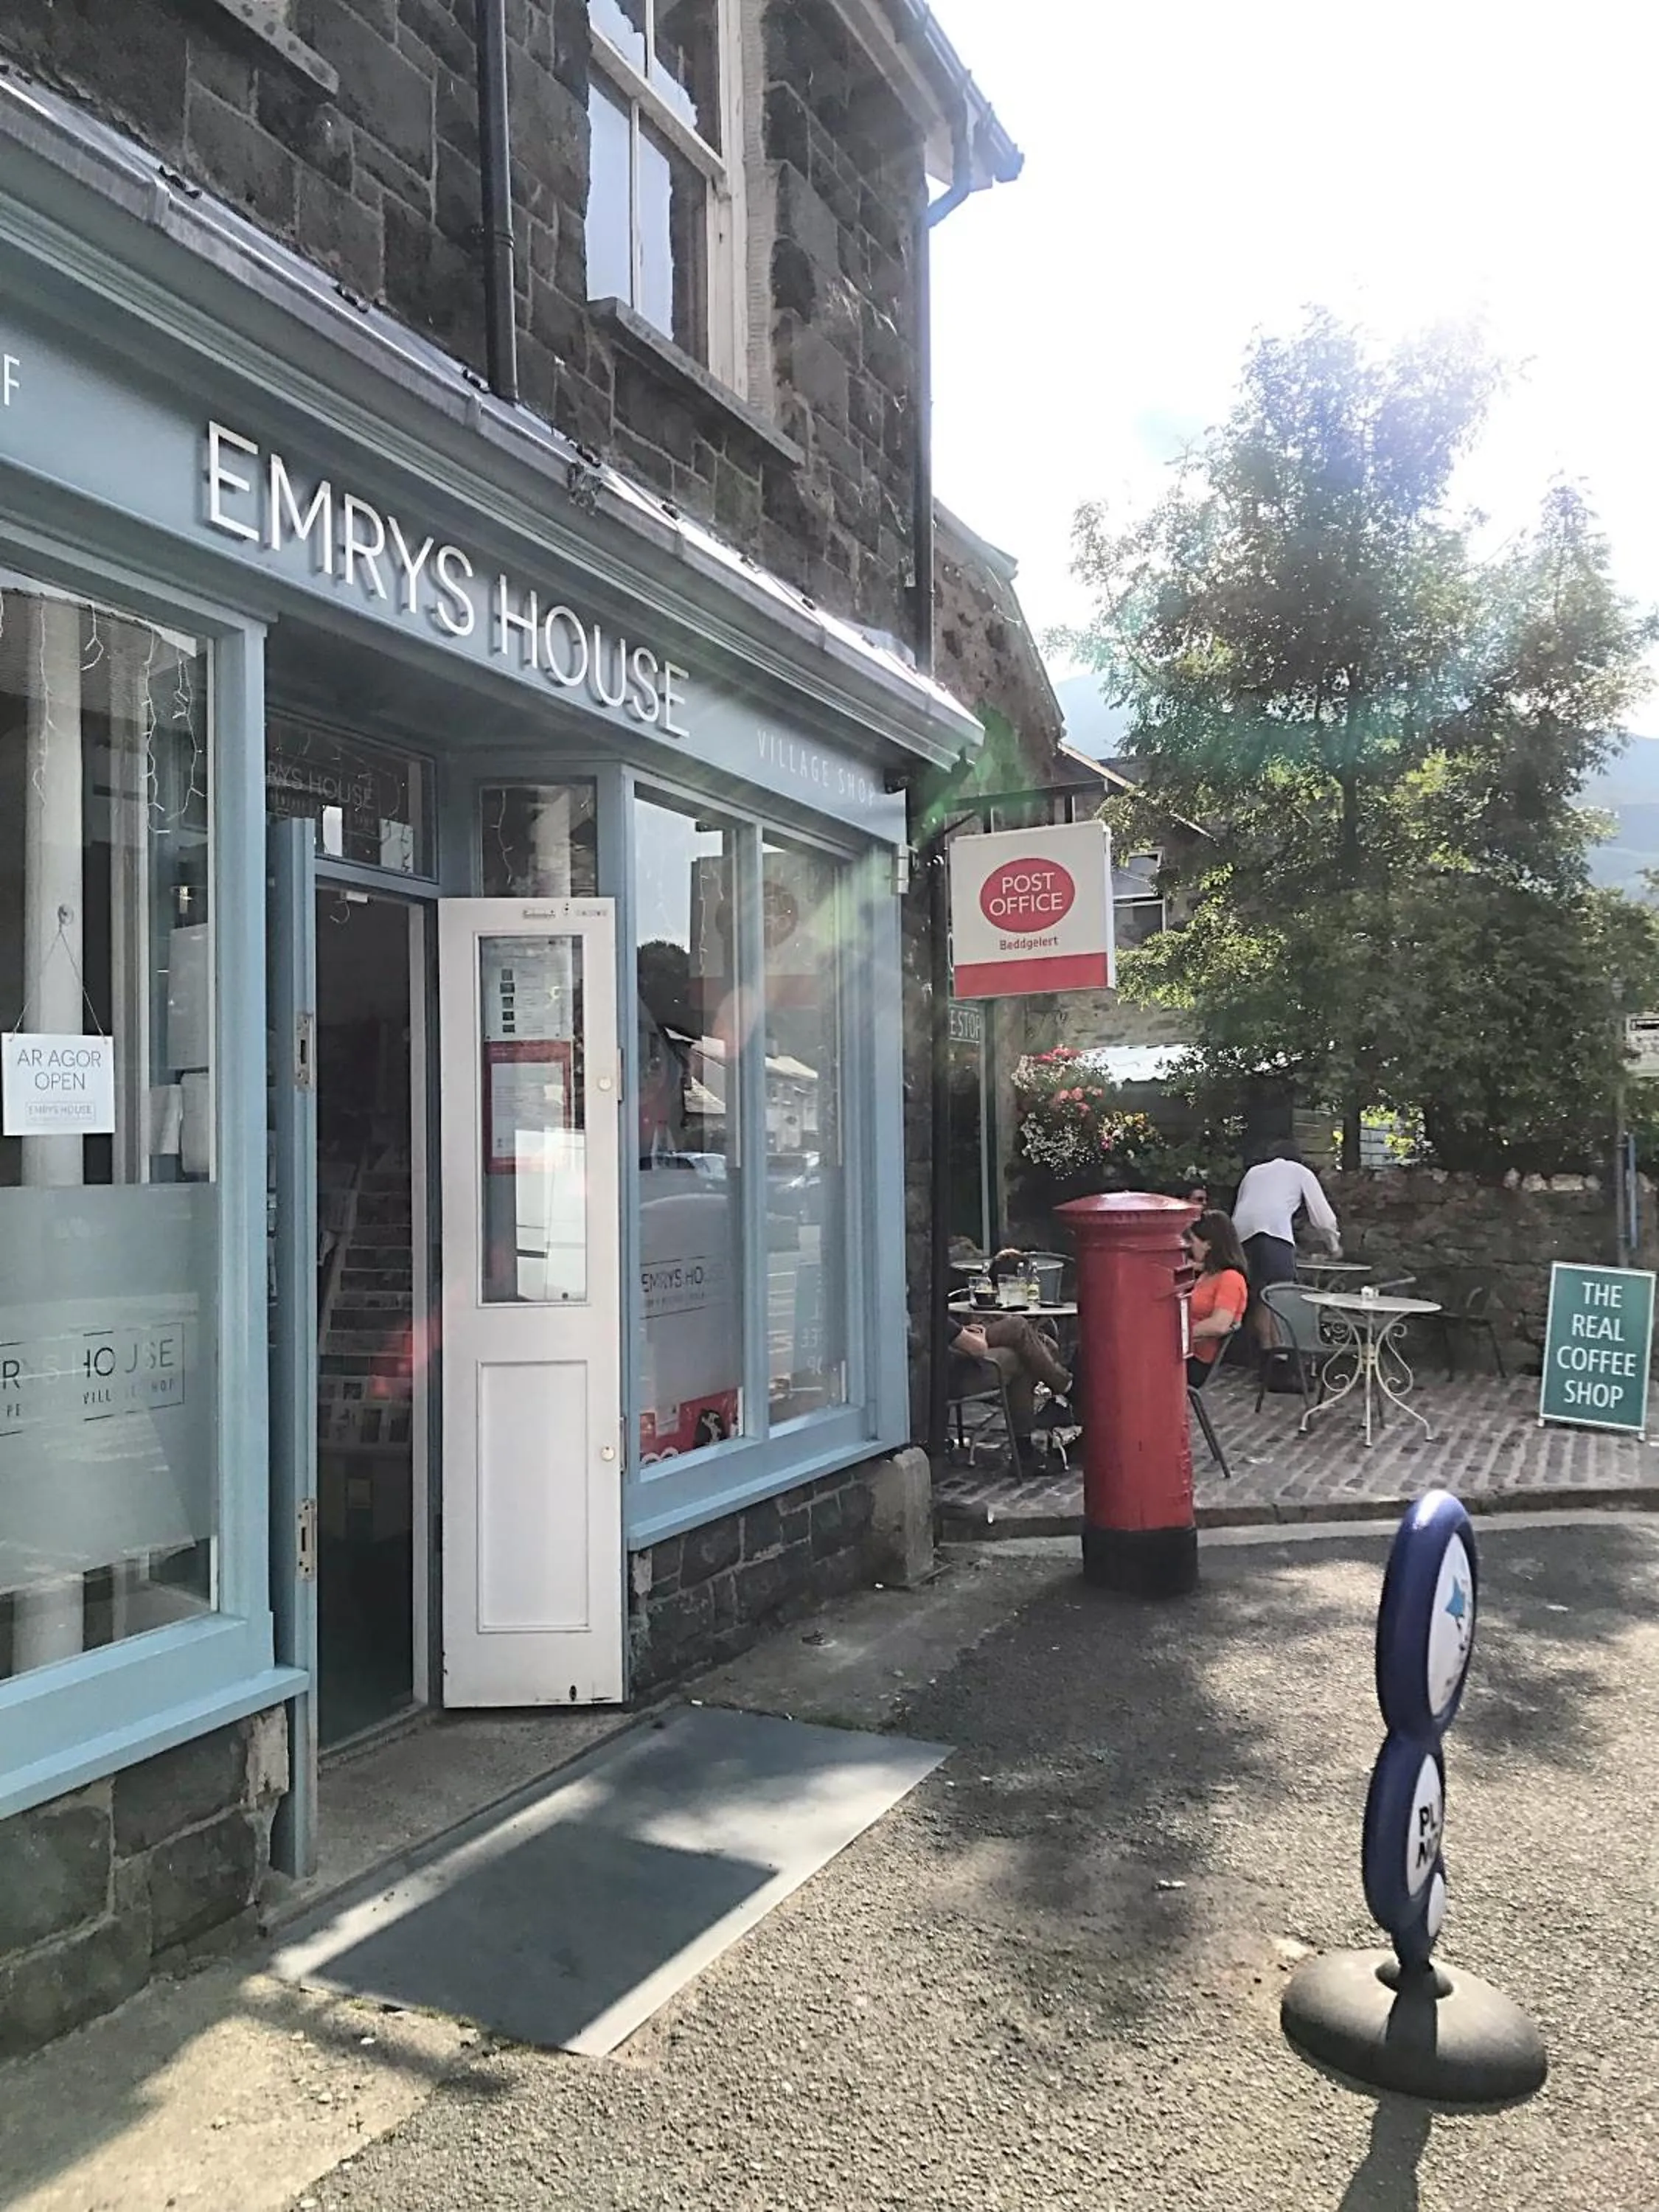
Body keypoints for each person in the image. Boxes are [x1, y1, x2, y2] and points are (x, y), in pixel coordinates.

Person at [1232, 1139, 1340, 1344]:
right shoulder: (1300, 1172)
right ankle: (1282, 1353)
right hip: (1274, 1233)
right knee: (1281, 1296)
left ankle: (1265, 1351)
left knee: (1260, 1298)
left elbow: (1242, 1207)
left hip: (1242, 1236)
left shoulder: (1253, 1172)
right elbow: (1323, 1218)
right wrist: (1334, 1246)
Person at [946, 1308, 1073, 1468]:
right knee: (1023, 1353)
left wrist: (968, 1331)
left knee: (1019, 1328)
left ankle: (1024, 1451)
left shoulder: (926, 1311)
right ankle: (1066, 1388)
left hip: (959, 1347)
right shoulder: (934, 1315)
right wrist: (975, 1335)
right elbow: (978, 1349)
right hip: (958, 1371)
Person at [1183, 1210, 1251, 1387]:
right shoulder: (1209, 1274)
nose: (1188, 1246)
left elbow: (1219, 1324)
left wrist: (1178, 1336)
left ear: (1209, 1244)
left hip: (1196, 1360)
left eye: (1192, 1241)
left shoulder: (1230, 1278)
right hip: (1186, 1352)